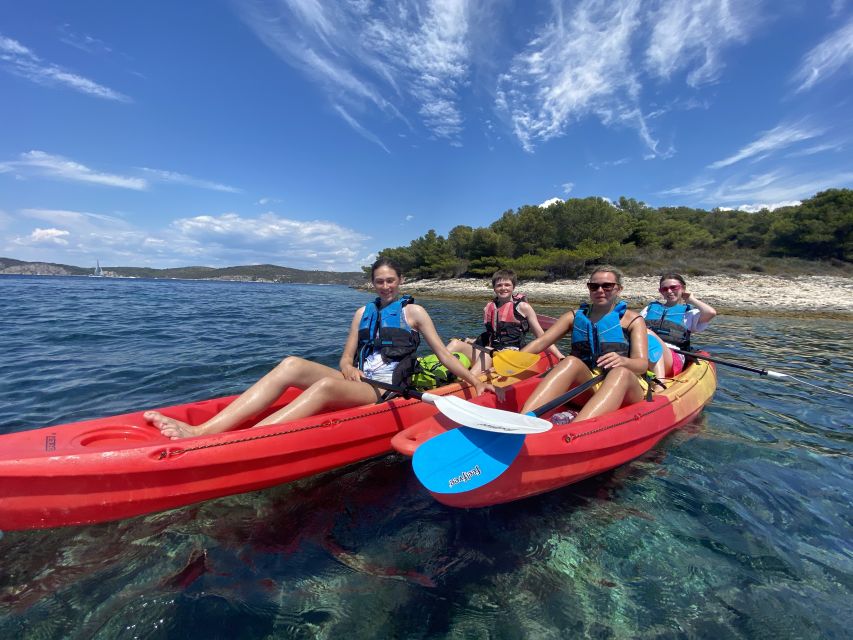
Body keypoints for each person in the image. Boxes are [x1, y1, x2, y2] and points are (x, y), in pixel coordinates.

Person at [145, 258, 494, 439]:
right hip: (361, 380)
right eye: (379, 281)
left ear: (400, 282)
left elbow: (445, 354)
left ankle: (237, 441)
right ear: (372, 283)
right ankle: (204, 430)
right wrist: (347, 367)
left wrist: (476, 383)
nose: (385, 286)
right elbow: (346, 355)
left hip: (388, 390)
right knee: (292, 363)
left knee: (324, 387)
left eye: (391, 280)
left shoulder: (413, 312)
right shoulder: (363, 312)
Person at [517, 266, 649, 421]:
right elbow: (542, 342)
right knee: (570, 361)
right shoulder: (573, 317)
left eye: (607, 286)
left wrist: (623, 361)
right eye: (594, 286)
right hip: (590, 384)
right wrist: (511, 360)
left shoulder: (632, 320)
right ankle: (524, 421)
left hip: (626, 388)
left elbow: (642, 364)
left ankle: (576, 431)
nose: (600, 290)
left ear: (619, 289)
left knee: (620, 372)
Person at [445, 269, 564, 375]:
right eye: (499, 285)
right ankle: (436, 374)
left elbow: (542, 336)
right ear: (494, 288)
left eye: (507, 285)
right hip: (491, 352)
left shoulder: (523, 308)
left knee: (487, 353)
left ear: (513, 287)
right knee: (455, 343)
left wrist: (559, 356)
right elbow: (493, 335)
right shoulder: (489, 307)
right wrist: (472, 341)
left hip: (511, 357)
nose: (503, 288)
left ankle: (468, 382)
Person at [643, 273, 717, 378]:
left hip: (673, 357)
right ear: (661, 292)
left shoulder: (690, 313)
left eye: (674, 287)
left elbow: (711, 313)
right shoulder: (649, 309)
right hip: (643, 352)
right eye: (664, 289)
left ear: (683, 288)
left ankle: (659, 383)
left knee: (646, 333)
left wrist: (691, 299)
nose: (669, 291)